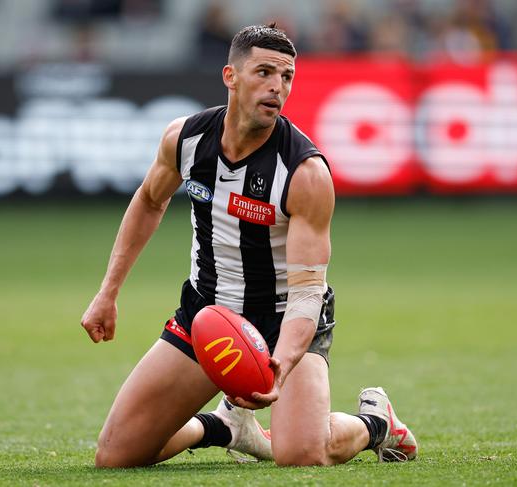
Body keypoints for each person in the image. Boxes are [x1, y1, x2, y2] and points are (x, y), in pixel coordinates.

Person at [81, 24, 418, 467]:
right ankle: (224, 426)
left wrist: (278, 361)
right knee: (116, 456)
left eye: (287, 77)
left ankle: (376, 423)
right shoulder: (185, 139)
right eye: (264, 72)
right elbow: (148, 201)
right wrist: (108, 293)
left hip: (286, 320)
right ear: (231, 77)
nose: (277, 87)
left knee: (300, 454)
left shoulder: (305, 172)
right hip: (209, 316)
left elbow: (306, 289)